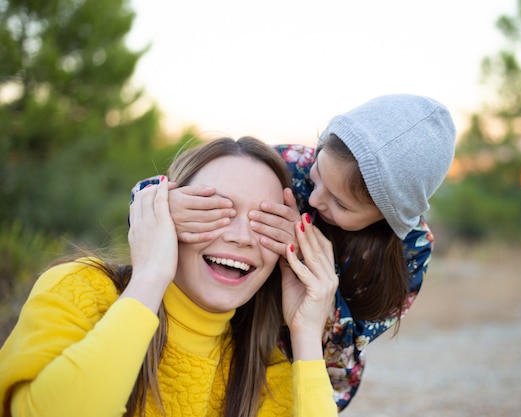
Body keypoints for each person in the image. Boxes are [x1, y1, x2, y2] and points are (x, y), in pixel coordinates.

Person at [132, 94, 457, 410]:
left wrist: (311, 272)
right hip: (235, 324)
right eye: (317, 178)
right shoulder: (293, 165)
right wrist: (168, 203)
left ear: (387, 217)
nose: (315, 200)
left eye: (341, 203)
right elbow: (160, 191)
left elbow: (346, 351)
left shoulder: (408, 252)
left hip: (303, 365)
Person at [0, 137, 339, 417]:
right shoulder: (79, 288)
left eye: (263, 222)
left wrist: (306, 334)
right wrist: (150, 275)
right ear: (169, 213)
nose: (242, 237)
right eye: (215, 210)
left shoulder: (269, 376)